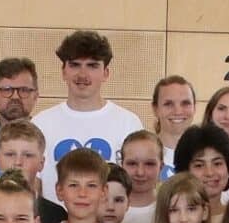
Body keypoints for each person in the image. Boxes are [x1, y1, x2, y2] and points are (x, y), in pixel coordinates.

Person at [30, 31, 145, 198]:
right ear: (63, 71)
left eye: (92, 66)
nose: (82, 74)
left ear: (106, 73)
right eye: (75, 65)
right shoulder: (41, 123)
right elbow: (33, 183)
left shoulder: (128, 123)